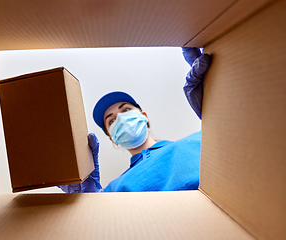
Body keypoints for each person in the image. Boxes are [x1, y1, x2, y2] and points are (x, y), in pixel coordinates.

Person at [58, 47, 211, 193]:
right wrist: (89, 201)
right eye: (111, 121)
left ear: (144, 116)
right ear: (113, 139)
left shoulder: (200, 142)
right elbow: (102, 217)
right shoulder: (113, 189)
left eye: (126, 110)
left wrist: (215, 109)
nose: (121, 119)